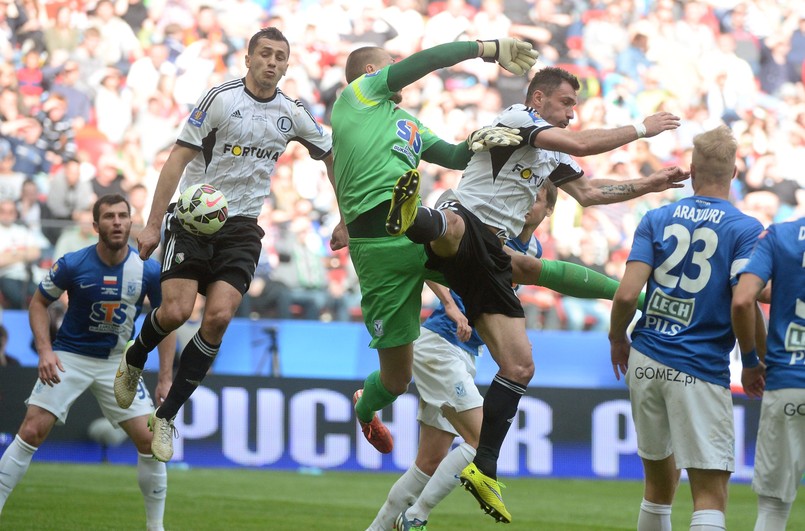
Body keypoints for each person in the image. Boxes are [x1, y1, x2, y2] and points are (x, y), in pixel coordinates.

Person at [401, 66, 686, 522]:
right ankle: (411, 214)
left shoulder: (552, 158)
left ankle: (484, 468)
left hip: (490, 259)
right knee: (455, 222)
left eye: (574, 105)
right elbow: (578, 144)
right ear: (537, 99)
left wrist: (649, 185)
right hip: (466, 223)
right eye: (566, 103)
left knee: (519, 365)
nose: (572, 113)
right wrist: (641, 129)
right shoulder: (518, 119)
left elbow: (591, 193)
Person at [114, 27, 336, 463]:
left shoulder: (292, 113)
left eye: (280, 57)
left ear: (287, 65)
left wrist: (346, 216)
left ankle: (167, 415)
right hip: (193, 217)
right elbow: (177, 158)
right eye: (265, 54)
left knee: (216, 318)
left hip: (242, 226)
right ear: (249, 58)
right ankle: (135, 355)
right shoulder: (220, 98)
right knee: (177, 312)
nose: (272, 62)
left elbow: (330, 155)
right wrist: (152, 223)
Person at [375, 183, 644, 531]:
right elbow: (429, 256)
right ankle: (414, 517)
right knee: (480, 439)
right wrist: (449, 302)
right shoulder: (489, 231)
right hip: (441, 343)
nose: (525, 201)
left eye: (535, 197)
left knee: (428, 461)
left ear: (548, 210)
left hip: (464, 352)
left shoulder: (530, 247)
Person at [330, 38, 538, 457]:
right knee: (395, 381)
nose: (398, 67)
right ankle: (365, 408)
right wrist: (485, 48)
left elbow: (455, 156)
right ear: (372, 73)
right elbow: (427, 61)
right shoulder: (356, 99)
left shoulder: (406, 123)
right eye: (390, 63)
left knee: (498, 264)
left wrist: (481, 139)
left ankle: (511, 363)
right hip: (374, 249)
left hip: (415, 235)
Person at [608, 125, 765, 531]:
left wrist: (616, 339)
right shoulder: (745, 229)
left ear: (692, 170)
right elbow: (744, 300)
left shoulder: (656, 217)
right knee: (710, 493)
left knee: (658, 489)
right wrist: (751, 361)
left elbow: (626, 296)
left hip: (645, 357)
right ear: (733, 174)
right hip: (698, 364)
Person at [0, 194, 175, 531]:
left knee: (148, 441)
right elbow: (38, 304)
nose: (118, 223)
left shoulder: (148, 270)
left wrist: (165, 377)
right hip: (70, 357)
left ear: (130, 222)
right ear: (96, 226)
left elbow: (167, 321)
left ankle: (156, 527)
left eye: (123, 216)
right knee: (32, 429)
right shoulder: (72, 263)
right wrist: (45, 351)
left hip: (116, 363)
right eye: (109, 217)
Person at [731, 215, 805, 531]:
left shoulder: (782, 234)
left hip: (788, 379)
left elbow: (744, 298)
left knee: (774, 509)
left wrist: (750, 363)